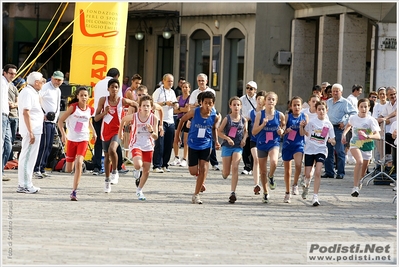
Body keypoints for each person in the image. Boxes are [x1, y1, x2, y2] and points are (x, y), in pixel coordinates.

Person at [174, 91, 220, 204]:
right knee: (193, 171)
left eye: (210, 103)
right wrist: (177, 136)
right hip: (193, 143)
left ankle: (196, 194)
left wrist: (216, 141)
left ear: (213, 104)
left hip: (206, 144)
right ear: (201, 103)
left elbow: (214, 128)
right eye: (206, 103)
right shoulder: (194, 112)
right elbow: (182, 120)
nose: (208, 105)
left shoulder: (215, 116)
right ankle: (199, 178)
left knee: (203, 168)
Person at [94, 78, 137, 193]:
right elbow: (96, 118)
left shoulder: (122, 100)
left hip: (117, 130)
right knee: (107, 157)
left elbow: (135, 103)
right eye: (112, 87)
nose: (114, 89)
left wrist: (136, 118)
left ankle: (115, 171)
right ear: (108, 89)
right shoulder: (103, 100)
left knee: (113, 149)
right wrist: (104, 112)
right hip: (105, 131)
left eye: (116, 87)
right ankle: (107, 181)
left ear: (119, 89)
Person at [58, 87, 96, 201]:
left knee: (79, 162)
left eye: (86, 95)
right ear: (78, 96)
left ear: (88, 97)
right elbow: (60, 121)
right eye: (82, 95)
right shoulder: (73, 108)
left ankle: (74, 191)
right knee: (69, 169)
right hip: (71, 139)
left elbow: (88, 121)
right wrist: (63, 134)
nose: (84, 97)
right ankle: (77, 166)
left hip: (83, 139)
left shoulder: (90, 109)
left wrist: (94, 132)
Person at [118, 95, 159, 200]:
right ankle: (136, 171)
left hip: (148, 145)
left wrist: (151, 131)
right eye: (144, 105)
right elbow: (123, 119)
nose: (146, 108)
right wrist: (120, 133)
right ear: (140, 107)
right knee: (137, 164)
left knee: (146, 171)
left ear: (151, 107)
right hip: (136, 144)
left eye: (148, 106)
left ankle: (139, 190)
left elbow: (156, 136)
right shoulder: (135, 116)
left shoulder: (154, 118)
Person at [92, 68, 127, 176]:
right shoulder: (115, 86)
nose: (114, 89)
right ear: (116, 76)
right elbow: (119, 101)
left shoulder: (98, 83)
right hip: (109, 115)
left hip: (98, 114)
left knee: (100, 143)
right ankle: (119, 165)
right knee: (114, 146)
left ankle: (97, 166)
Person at [300, 101, 336, 206]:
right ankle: (306, 185)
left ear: (326, 110)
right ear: (316, 111)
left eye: (323, 109)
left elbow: (333, 139)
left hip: (321, 149)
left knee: (318, 171)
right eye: (319, 109)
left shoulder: (328, 124)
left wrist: (332, 141)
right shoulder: (311, 122)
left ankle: (315, 196)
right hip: (310, 149)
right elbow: (304, 133)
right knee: (307, 174)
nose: (321, 111)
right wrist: (302, 127)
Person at [252, 91, 285, 203]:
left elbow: (283, 126)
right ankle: (265, 192)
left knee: (274, 162)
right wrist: (263, 125)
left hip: (273, 143)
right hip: (261, 144)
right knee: (262, 171)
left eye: (273, 99)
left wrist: (282, 131)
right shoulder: (259, 115)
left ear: (276, 102)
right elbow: (254, 131)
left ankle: (271, 177)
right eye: (269, 99)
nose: (270, 101)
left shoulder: (279, 115)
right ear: (264, 101)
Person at [16, 72, 45, 193]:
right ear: (36, 82)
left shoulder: (32, 92)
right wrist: (31, 131)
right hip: (31, 130)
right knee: (27, 157)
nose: (43, 82)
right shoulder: (28, 92)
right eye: (42, 80)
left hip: (34, 129)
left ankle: (26, 183)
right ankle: (25, 185)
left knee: (30, 157)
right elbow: (25, 112)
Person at [322, 83, 357, 179]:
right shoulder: (328, 102)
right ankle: (329, 171)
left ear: (341, 92)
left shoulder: (345, 102)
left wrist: (345, 121)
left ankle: (340, 172)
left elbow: (354, 113)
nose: (335, 93)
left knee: (340, 151)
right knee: (327, 150)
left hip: (339, 128)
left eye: (337, 91)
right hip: (328, 128)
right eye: (333, 91)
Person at [33, 70, 63, 178]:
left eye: (59, 80)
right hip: (45, 120)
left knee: (49, 146)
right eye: (55, 79)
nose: (57, 82)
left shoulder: (58, 90)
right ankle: (37, 168)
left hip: (52, 121)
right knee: (44, 145)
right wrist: (42, 114)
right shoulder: (46, 87)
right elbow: (36, 98)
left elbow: (57, 106)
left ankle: (42, 167)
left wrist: (55, 117)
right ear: (52, 77)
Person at [218, 97, 248, 203]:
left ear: (241, 107)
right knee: (226, 172)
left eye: (238, 105)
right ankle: (224, 172)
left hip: (238, 147)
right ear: (230, 106)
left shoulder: (243, 120)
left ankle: (233, 192)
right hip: (227, 146)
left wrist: (244, 139)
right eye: (234, 105)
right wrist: (227, 138)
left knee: (235, 167)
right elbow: (219, 131)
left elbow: (246, 131)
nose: (236, 107)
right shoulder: (227, 118)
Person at [188, 73, 220, 171]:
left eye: (203, 80)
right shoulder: (194, 93)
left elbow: (212, 105)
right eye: (199, 81)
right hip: (198, 116)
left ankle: (214, 162)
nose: (201, 82)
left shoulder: (211, 91)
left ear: (206, 81)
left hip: (209, 116)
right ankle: (196, 162)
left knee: (209, 138)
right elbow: (191, 106)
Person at [281, 96, 308, 203]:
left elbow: (303, 133)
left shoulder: (304, 116)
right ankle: (287, 193)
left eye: (298, 105)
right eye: (294, 105)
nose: (296, 107)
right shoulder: (287, 116)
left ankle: (295, 184)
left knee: (298, 165)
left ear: (301, 107)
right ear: (291, 106)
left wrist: (302, 126)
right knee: (287, 171)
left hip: (298, 144)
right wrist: (285, 131)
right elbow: (282, 131)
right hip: (287, 145)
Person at [152, 73, 177, 173]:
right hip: (160, 120)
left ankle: (165, 164)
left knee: (168, 144)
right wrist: (164, 103)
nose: (170, 83)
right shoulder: (158, 91)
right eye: (168, 81)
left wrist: (175, 105)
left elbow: (175, 102)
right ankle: (156, 165)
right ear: (163, 81)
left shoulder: (172, 92)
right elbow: (152, 103)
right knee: (159, 144)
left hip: (171, 120)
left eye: (172, 81)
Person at [249, 90, 267, 195]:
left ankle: (265, 179)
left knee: (262, 163)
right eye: (258, 99)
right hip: (254, 139)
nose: (260, 102)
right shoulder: (252, 112)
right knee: (255, 159)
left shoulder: (268, 113)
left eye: (262, 99)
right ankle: (256, 184)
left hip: (265, 141)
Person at [170, 81, 191, 167]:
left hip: (187, 119)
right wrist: (183, 109)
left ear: (189, 88)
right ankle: (176, 157)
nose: (185, 89)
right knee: (176, 138)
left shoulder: (190, 98)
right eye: (183, 87)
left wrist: (180, 109)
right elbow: (174, 110)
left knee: (186, 140)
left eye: (186, 87)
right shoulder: (178, 98)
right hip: (179, 119)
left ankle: (185, 159)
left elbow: (188, 110)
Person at [2, 64, 17, 181]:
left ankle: (1, 170)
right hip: (2, 116)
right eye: (10, 73)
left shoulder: (9, 85)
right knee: (3, 144)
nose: (13, 75)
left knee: (8, 145)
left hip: (7, 116)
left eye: (14, 73)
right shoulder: (2, 82)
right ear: (4, 73)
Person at [240, 81, 257, 175]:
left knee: (253, 144)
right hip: (244, 122)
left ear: (255, 90)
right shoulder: (242, 99)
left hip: (254, 122)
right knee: (245, 144)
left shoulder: (258, 99)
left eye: (251, 88)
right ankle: (247, 166)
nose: (249, 90)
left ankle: (254, 166)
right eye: (247, 88)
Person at [8, 81, 19, 161]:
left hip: (14, 115)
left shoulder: (14, 88)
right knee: (7, 139)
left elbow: (18, 101)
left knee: (12, 139)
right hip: (5, 115)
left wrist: (14, 105)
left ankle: (10, 157)